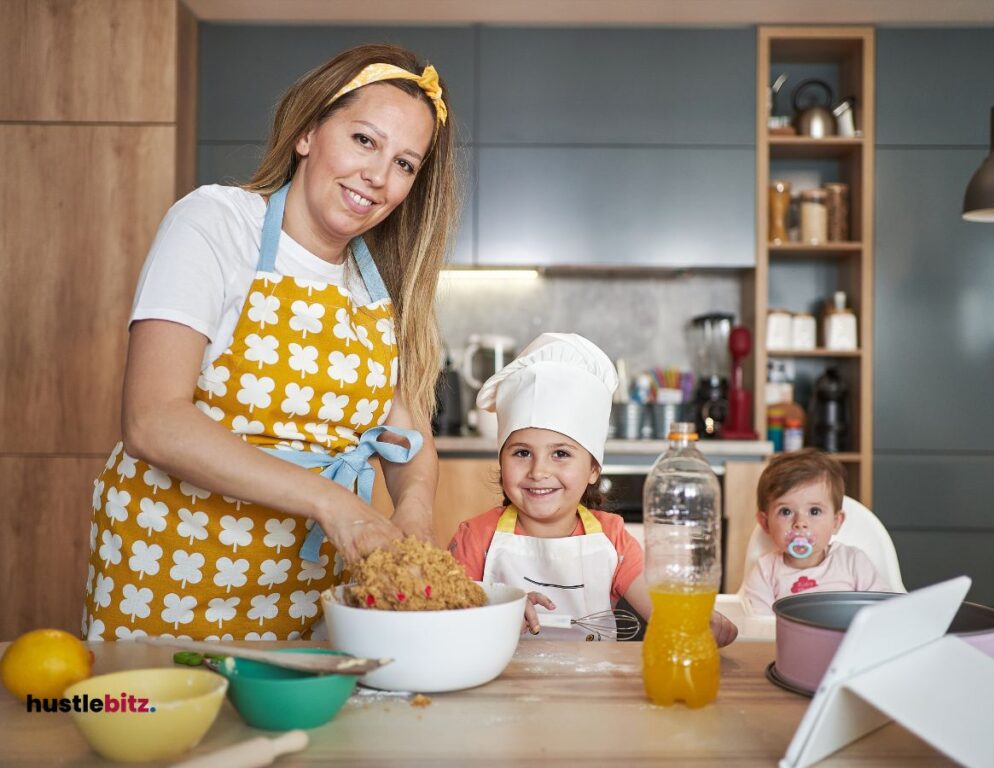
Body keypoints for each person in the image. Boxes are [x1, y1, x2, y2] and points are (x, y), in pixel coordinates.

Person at [83, 43, 461, 641]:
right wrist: (334, 504)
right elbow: (153, 420)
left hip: (312, 601)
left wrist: (413, 510)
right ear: (308, 132)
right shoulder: (214, 224)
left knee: (297, 738)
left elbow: (406, 438)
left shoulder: (375, 287)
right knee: (169, 733)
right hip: (173, 581)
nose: (379, 177)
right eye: (364, 140)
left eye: (405, 164)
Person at [449, 333, 738, 646]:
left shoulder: (612, 538)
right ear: (501, 461)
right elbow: (445, 619)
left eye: (560, 453)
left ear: (593, 470)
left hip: (595, 688)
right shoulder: (475, 537)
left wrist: (695, 622)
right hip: (501, 689)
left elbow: (662, 611)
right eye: (521, 453)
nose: (539, 471)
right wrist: (496, 612)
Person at [740, 448, 889, 615]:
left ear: (836, 522)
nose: (800, 523)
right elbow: (760, 628)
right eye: (786, 511)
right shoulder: (765, 572)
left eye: (814, 511)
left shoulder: (853, 562)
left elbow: (882, 611)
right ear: (765, 523)